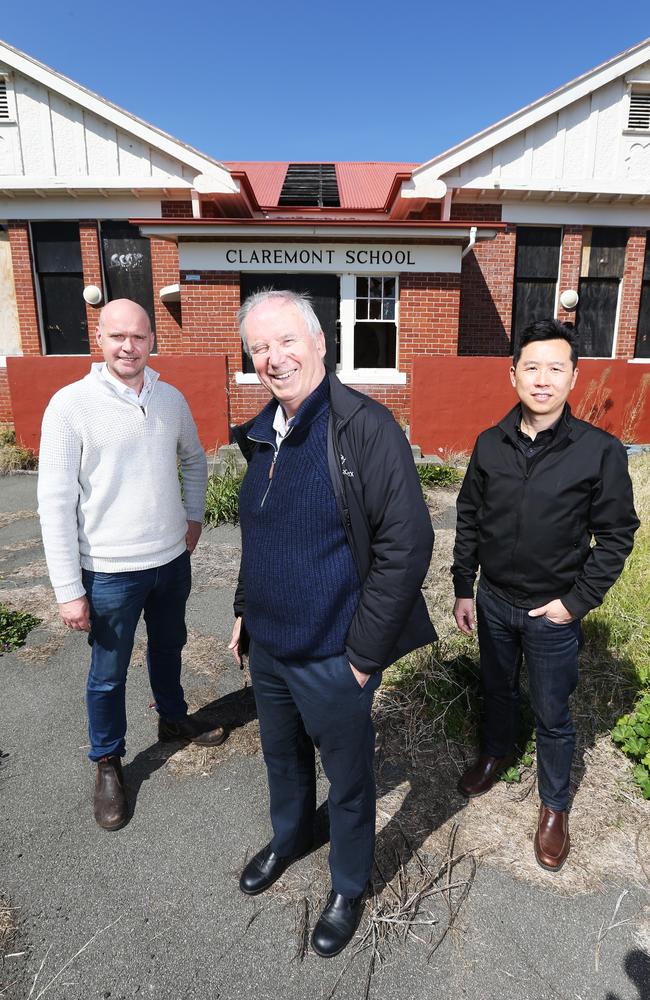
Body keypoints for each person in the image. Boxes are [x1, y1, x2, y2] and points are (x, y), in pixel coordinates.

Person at [229, 289, 435, 957]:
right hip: (270, 648)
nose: (273, 358)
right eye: (259, 347)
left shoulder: (365, 429)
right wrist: (243, 611)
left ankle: (348, 884)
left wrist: (363, 655)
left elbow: (408, 547)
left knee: (347, 780)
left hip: (334, 655)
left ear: (321, 343)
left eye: (286, 341)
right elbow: (261, 535)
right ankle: (290, 836)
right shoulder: (263, 432)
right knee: (281, 759)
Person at [451, 318, 639, 872]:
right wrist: (465, 586)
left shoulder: (599, 452)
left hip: (553, 611)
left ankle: (554, 806)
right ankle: (497, 752)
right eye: (531, 367)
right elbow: (467, 518)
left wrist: (575, 602)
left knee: (553, 712)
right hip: (494, 601)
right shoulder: (490, 443)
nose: (542, 379)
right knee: (498, 689)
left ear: (573, 377)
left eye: (555, 368)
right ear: (513, 375)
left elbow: (617, 535)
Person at [37, 298, 225, 832]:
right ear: (99, 338)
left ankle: (172, 717)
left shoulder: (169, 398)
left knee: (169, 646)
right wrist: (68, 589)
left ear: (151, 341)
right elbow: (55, 501)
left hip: (169, 560)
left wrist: (193, 516)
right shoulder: (69, 405)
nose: (129, 346)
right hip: (109, 571)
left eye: (139, 336)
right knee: (107, 674)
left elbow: (193, 457)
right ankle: (107, 761)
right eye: (118, 336)